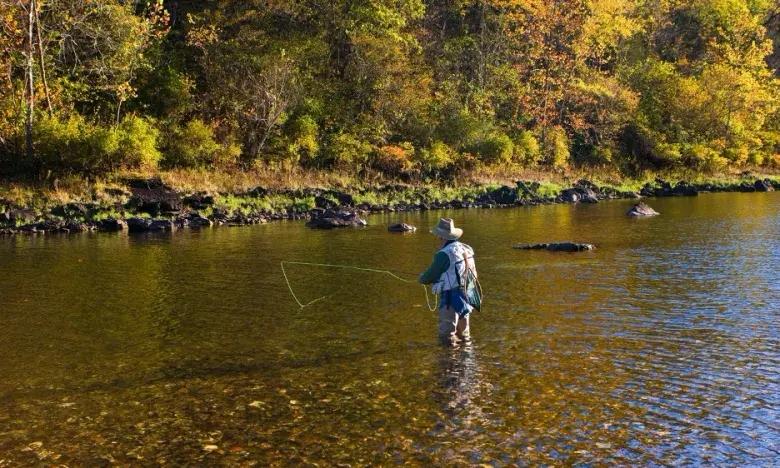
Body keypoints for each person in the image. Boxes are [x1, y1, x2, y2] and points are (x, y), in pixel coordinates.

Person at [419, 218, 480, 346]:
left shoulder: (443, 254)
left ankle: (449, 362)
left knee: (447, 335)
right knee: (464, 334)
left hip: (450, 299)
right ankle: (466, 361)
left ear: (442, 237)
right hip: (467, 294)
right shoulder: (466, 249)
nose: (436, 238)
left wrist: (422, 278)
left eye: (437, 236)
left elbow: (430, 275)